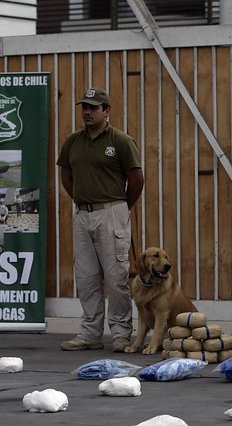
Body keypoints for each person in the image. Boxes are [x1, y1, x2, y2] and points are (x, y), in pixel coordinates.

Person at [57, 87, 145, 352]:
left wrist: (122, 207)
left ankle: (120, 333)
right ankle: (90, 333)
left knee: (117, 276)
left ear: (106, 111)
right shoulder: (73, 141)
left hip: (113, 211)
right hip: (83, 213)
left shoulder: (120, 141)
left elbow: (137, 179)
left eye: (93, 107)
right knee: (86, 277)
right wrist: (81, 200)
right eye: (84, 107)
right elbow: (66, 175)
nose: (87, 112)